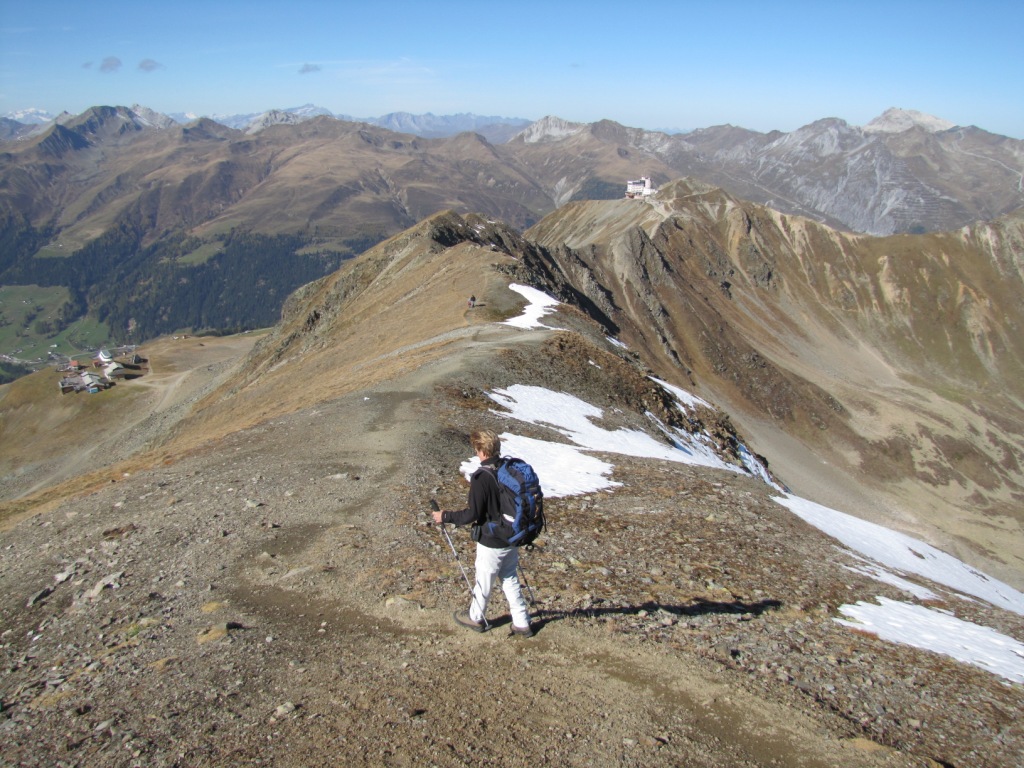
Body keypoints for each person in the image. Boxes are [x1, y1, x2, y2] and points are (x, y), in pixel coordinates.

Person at [432, 429, 533, 636]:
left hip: (491, 539)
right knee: (510, 577)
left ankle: (476, 618)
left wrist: (445, 516)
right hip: (511, 535)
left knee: (484, 580)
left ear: (480, 449)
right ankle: (522, 622)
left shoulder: (482, 477)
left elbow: (472, 514)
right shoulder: (507, 469)